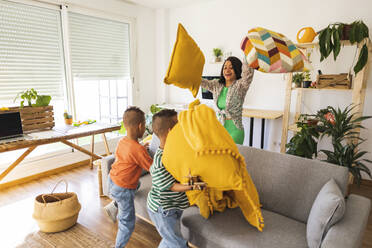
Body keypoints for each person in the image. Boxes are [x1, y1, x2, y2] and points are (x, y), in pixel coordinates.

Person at [147, 109, 203, 248]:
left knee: (171, 239)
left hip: (174, 205)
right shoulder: (160, 160)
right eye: (180, 125)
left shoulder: (177, 153)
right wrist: (192, 186)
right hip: (162, 210)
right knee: (177, 243)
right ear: (172, 131)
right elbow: (172, 186)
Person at [105, 106, 153, 248]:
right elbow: (153, 168)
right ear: (140, 126)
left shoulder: (123, 141)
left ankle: (113, 206)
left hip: (112, 180)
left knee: (136, 184)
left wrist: (142, 146)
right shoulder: (138, 150)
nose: (145, 128)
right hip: (123, 188)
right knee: (127, 224)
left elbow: (130, 153)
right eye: (144, 125)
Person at [201, 56, 254, 144]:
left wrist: (247, 53)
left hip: (235, 131)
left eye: (231, 68)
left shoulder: (240, 86)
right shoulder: (216, 85)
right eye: (225, 67)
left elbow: (248, 73)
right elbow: (201, 82)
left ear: (237, 69)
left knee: (230, 157)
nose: (227, 70)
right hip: (219, 129)